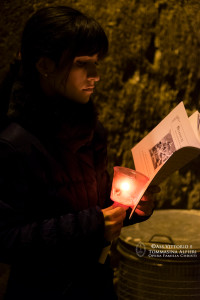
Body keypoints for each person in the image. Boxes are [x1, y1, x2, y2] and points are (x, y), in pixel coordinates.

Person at [0, 6, 157, 300]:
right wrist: (93, 225)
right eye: (83, 63)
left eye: (97, 62)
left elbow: (90, 203)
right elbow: (6, 239)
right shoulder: (14, 144)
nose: (96, 75)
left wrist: (130, 206)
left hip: (94, 286)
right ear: (44, 65)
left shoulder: (90, 130)